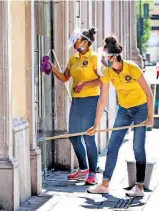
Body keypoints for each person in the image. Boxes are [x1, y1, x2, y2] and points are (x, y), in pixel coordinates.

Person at [86, 35, 154, 197]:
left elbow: (149, 93)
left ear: (114, 56)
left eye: (105, 57)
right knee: (113, 146)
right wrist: (96, 125)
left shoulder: (132, 68)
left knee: (138, 147)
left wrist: (150, 118)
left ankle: (139, 187)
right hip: (124, 109)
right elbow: (102, 101)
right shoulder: (107, 72)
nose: (103, 60)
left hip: (140, 109)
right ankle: (105, 184)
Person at [48, 27, 100, 185]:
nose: (74, 44)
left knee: (88, 136)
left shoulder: (94, 58)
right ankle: (83, 169)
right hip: (77, 101)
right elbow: (65, 77)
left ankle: (92, 173)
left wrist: (85, 84)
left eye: (76, 40)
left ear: (85, 42)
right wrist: (51, 66)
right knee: (74, 136)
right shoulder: (74, 58)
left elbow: (101, 80)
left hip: (91, 100)